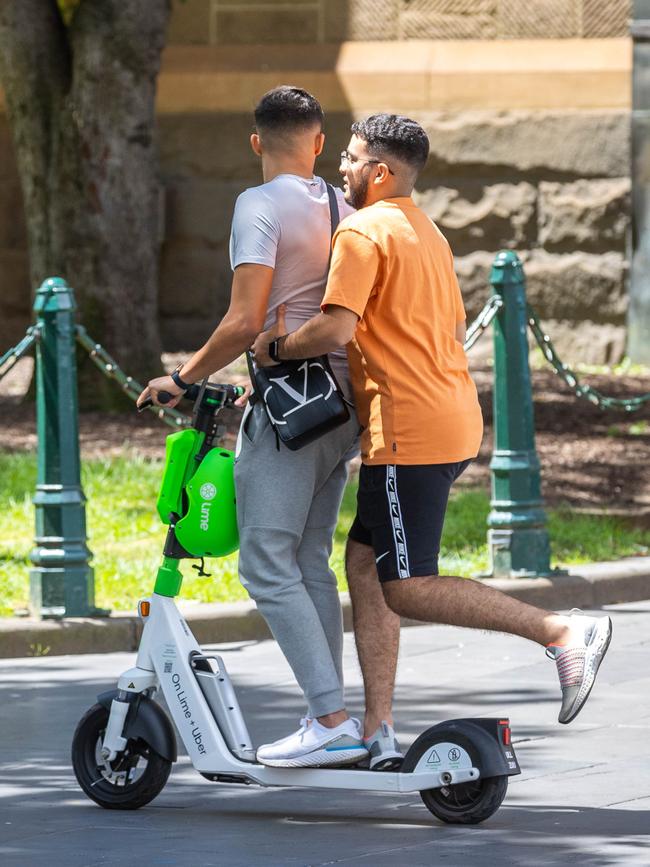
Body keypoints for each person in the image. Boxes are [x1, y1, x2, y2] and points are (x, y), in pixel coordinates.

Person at [252, 113, 613, 769]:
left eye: (354, 157)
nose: (342, 166)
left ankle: (562, 631)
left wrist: (275, 346)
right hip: (451, 417)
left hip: (408, 430)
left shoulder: (362, 230)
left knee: (406, 586)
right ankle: (377, 727)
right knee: (365, 564)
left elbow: (334, 329)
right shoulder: (426, 229)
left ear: (380, 172)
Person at [138, 86, 370, 769]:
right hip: (341, 408)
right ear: (320, 143)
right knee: (306, 561)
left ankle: (329, 716)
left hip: (289, 412)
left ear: (254, 142)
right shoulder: (344, 205)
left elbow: (245, 319)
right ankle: (330, 713)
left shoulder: (257, 205)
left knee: (266, 562)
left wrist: (180, 378)